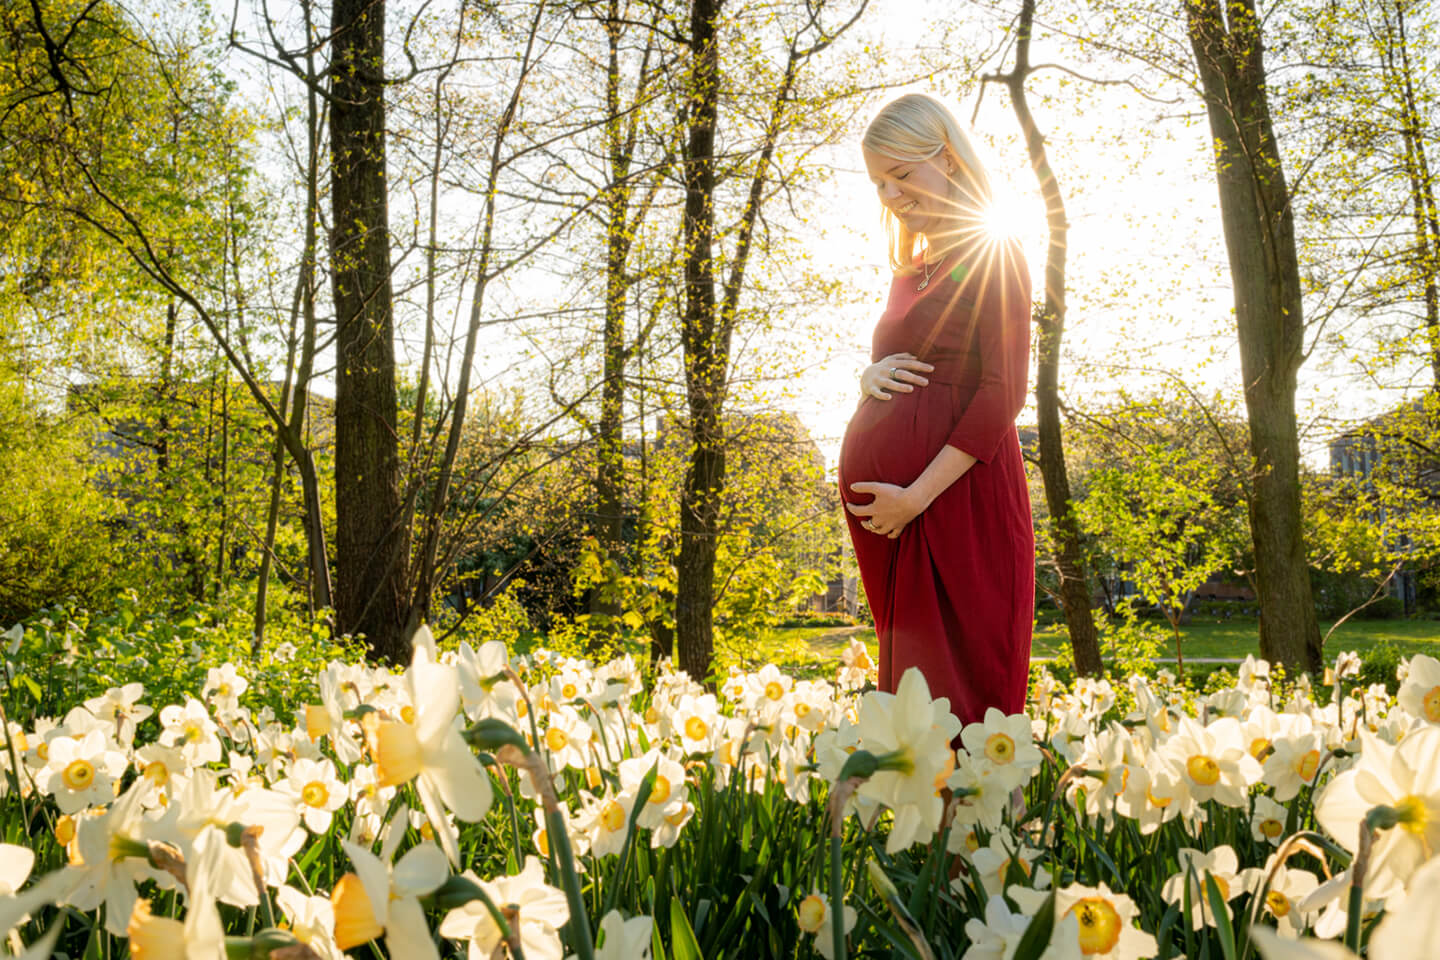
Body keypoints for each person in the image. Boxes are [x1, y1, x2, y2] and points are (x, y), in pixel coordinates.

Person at [838, 93, 1034, 733]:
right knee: (912, 710)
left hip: (954, 504)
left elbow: (1002, 392)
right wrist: (868, 375)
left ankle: (974, 832)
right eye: (879, 183)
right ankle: (924, 833)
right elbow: (898, 356)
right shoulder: (910, 271)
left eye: (901, 175)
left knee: (962, 701)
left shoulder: (994, 251)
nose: (890, 195)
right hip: (896, 519)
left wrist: (915, 497)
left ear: (947, 159)